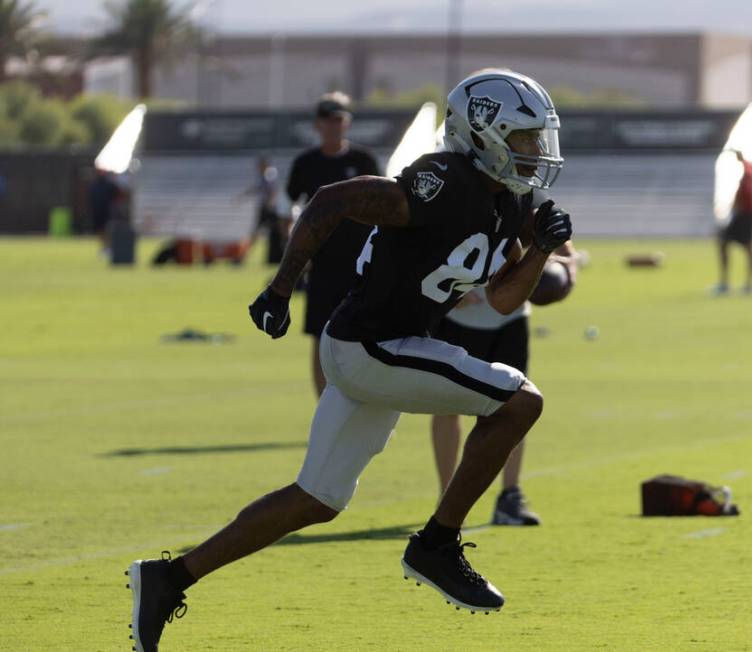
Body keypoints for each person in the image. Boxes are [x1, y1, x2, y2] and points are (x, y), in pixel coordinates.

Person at [126, 69, 571, 650]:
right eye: (525, 139)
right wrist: (280, 288)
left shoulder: (506, 202)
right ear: (485, 133)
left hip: (376, 348)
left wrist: (538, 250)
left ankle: (169, 579)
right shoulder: (444, 180)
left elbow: (505, 297)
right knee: (519, 403)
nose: (536, 153)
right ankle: (436, 545)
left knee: (316, 499)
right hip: (375, 347)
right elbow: (333, 200)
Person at [430, 244, 578, 526]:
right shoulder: (460, 200)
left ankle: (510, 496)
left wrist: (566, 271)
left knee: (515, 404)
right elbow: (428, 242)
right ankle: (446, 498)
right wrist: (446, 291)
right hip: (459, 318)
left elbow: (564, 246)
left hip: (512, 318)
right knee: (447, 407)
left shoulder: (526, 200)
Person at [286, 92, 381, 396]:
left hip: (361, 262)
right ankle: (324, 406)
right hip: (323, 262)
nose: (334, 126)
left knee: (367, 333)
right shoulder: (306, 164)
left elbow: (381, 205)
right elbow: (290, 209)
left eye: (339, 120)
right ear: (317, 125)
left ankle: (367, 406)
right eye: (328, 120)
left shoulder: (362, 160)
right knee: (321, 334)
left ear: (347, 123)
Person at [714, 150, 752, 295]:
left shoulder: (747, 174)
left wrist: (734, 207)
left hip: (746, 213)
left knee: (727, 242)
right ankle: (747, 284)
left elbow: (745, 193)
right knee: (745, 247)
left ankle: (727, 284)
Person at [242, 156, 289, 265]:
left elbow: (274, 191)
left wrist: (271, 203)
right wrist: (242, 196)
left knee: (278, 232)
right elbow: (256, 188)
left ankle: (284, 254)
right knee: (257, 233)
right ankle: (244, 257)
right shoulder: (263, 176)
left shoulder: (270, 175)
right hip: (265, 208)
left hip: (270, 209)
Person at [88, 166, 121, 256]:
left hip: (107, 212)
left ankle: (109, 248)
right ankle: (103, 248)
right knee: (99, 231)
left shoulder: (110, 185)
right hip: (97, 212)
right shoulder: (94, 185)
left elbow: (118, 195)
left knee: (108, 231)